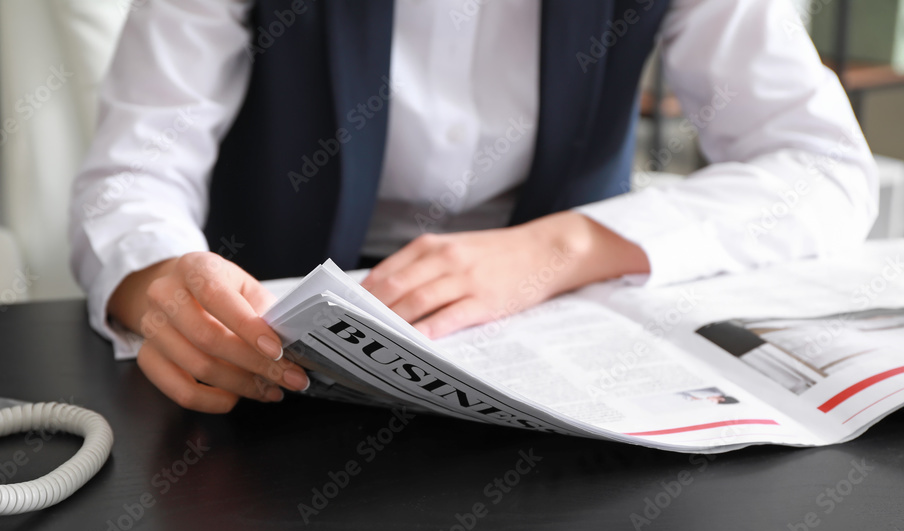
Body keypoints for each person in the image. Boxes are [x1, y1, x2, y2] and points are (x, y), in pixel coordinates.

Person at [69, 0, 878, 414]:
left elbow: (822, 167)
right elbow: (132, 172)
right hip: (269, 368)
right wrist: (155, 278)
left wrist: (560, 249)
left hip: (563, 355)